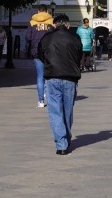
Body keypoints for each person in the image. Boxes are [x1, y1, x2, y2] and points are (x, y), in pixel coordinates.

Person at [38, 18, 83, 154]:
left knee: (55, 112)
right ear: (68, 25)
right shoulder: (75, 38)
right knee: (67, 111)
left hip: (52, 77)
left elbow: (40, 56)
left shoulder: (47, 38)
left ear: (54, 25)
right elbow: (79, 55)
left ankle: (61, 144)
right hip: (70, 78)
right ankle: (66, 139)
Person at [29, 11, 54, 107]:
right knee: (48, 75)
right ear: (47, 11)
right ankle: (48, 95)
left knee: (40, 76)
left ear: (38, 11)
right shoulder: (51, 21)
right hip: (49, 51)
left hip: (36, 51)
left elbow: (27, 37)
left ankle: (41, 101)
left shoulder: (32, 22)